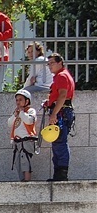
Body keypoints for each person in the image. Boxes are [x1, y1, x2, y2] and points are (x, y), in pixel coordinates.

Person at [42, 53, 76, 181]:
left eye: (52, 63)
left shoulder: (61, 76)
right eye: (48, 63)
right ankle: (59, 174)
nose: (49, 66)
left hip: (61, 113)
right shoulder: (62, 75)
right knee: (57, 142)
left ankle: (61, 175)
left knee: (59, 142)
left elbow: (63, 95)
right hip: (62, 110)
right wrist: (49, 103)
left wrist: (54, 113)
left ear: (60, 63)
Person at [8, 89, 37, 182]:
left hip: (27, 140)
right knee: (18, 162)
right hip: (18, 141)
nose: (18, 102)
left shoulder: (30, 111)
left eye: (20, 100)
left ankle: (27, 180)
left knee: (26, 160)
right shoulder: (16, 113)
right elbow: (9, 123)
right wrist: (15, 115)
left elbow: (29, 120)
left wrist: (21, 112)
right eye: (17, 100)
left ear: (27, 101)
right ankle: (22, 180)